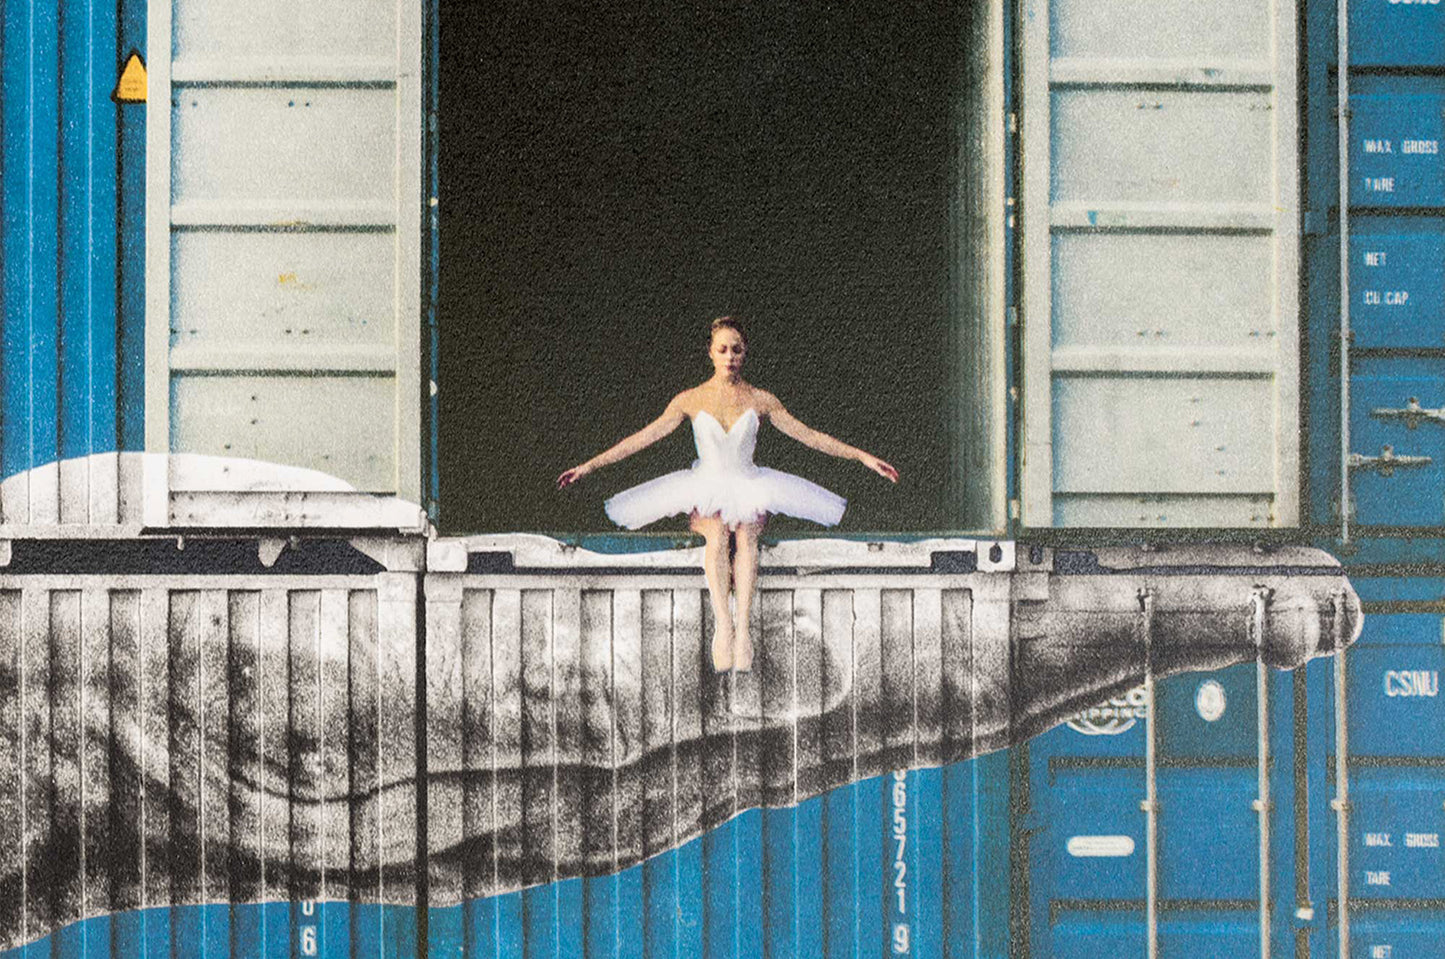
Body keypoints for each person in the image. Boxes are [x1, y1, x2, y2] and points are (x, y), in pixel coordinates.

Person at [557, 316, 899, 672]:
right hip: (705, 485)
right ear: (710, 353)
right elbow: (643, 438)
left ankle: (743, 630)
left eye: (736, 349)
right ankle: (724, 626)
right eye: (722, 349)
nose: (730, 356)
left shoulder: (762, 399)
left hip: (749, 483)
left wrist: (862, 457)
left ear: (745, 352)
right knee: (717, 534)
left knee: (746, 533)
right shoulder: (690, 399)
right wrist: (589, 466)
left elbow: (809, 436)